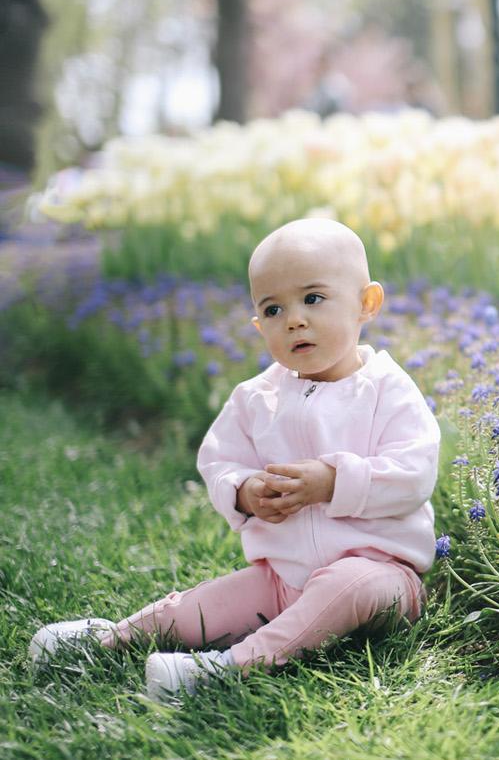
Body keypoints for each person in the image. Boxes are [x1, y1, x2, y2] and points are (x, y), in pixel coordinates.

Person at [28, 218, 441, 701]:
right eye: (273, 308)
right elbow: (219, 460)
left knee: (347, 584)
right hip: (282, 579)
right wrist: (244, 492)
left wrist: (333, 481)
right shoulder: (256, 397)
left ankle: (226, 670)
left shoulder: (387, 389)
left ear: (366, 303)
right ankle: (107, 641)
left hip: (381, 578)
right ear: (257, 324)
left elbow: (415, 473)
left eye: (313, 298)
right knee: (200, 607)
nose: (294, 319)